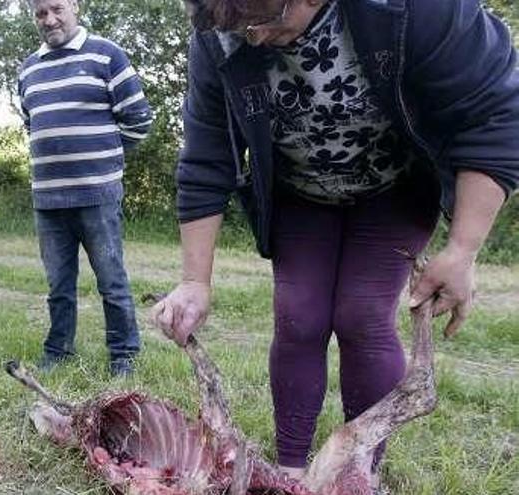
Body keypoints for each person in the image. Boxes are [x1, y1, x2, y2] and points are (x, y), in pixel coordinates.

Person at [153, 0, 518, 487]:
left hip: (396, 187)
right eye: (239, 29)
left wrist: (463, 249)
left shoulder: (418, 9)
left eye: (263, 22)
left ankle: (356, 473)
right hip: (299, 192)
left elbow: (493, 110)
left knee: (362, 317)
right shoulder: (222, 29)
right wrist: (194, 281)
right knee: (299, 314)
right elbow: (207, 152)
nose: (253, 38)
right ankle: (291, 471)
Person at [17, 0, 153, 377]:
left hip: (98, 197)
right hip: (47, 199)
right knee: (58, 285)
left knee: (112, 282)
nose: (49, 19)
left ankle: (123, 356)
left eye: (57, 9)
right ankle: (58, 351)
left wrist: (103, 162)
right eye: (40, 13)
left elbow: (139, 121)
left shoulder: (107, 55)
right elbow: (33, 125)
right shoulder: (28, 69)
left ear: (75, 6)